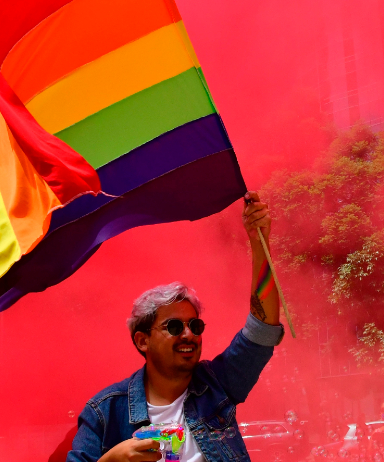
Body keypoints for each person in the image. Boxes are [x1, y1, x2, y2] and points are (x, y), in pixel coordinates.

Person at [67, 192, 284, 462]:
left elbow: (262, 331)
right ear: (142, 340)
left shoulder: (217, 383)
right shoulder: (105, 412)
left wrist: (259, 241)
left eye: (195, 325)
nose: (188, 334)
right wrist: (112, 459)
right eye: (173, 327)